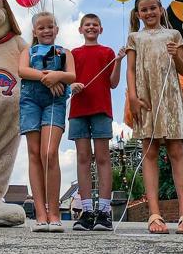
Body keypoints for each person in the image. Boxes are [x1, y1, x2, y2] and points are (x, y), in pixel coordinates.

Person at [125, 0, 183, 234]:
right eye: (144, 10)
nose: (149, 12)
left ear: (161, 9)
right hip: (146, 97)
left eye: (153, 8)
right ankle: (154, 214)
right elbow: (131, 69)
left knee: (176, 150)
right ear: (138, 14)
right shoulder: (135, 37)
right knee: (150, 151)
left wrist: (176, 55)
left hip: (170, 98)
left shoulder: (174, 34)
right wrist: (132, 97)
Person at [18, 11, 76, 233]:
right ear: (34, 31)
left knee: (49, 153)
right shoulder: (28, 51)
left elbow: (71, 75)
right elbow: (22, 70)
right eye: (41, 28)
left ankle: (54, 213)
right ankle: (41, 214)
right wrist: (48, 77)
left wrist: (57, 76)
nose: (46, 31)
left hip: (54, 103)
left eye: (50, 26)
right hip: (30, 102)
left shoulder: (64, 52)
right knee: (34, 154)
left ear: (57, 30)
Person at [68, 14, 125, 232]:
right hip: (78, 111)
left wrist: (118, 62)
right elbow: (68, 78)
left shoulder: (107, 52)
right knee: (83, 158)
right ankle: (86, 211)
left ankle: (103, 211)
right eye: (87, 25)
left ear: (101, 29)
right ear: (80, 29)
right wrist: (73, 84)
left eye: (95, 25)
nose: (91, 27)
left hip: (101, 110)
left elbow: (113, 83)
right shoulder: (73, 54)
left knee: (102, 158)